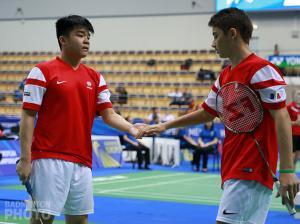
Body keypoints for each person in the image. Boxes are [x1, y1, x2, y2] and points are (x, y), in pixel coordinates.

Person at [139, 8, 299, 224]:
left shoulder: (262, 70)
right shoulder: (225, 76)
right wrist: (164, 126)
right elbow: (207, 112)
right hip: (234, 167)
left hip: (250, 168)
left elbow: (281, 117)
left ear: (232, 33)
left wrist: (288, 169)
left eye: (215, 36)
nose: (213, 44)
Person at [16, 15, 142, 224]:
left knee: (79, 219)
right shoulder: (42, 71)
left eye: (88, 36)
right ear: (63, 40)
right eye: (80, 35)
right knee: (42, 219)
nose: (86, 40)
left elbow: (108, 114)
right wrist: (25, 159)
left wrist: (131, 128)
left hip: (82, 161)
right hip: (48, 157)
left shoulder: (95, 77)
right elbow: (28, 116)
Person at [287, 90, 300, 170]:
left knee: (297, 155)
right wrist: (295, 123)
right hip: (293, 134)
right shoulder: (289, 107)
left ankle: (293, 171)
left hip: (299, 134)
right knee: (292, 154)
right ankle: (289, 171)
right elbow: (284, 121)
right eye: (298, 94)